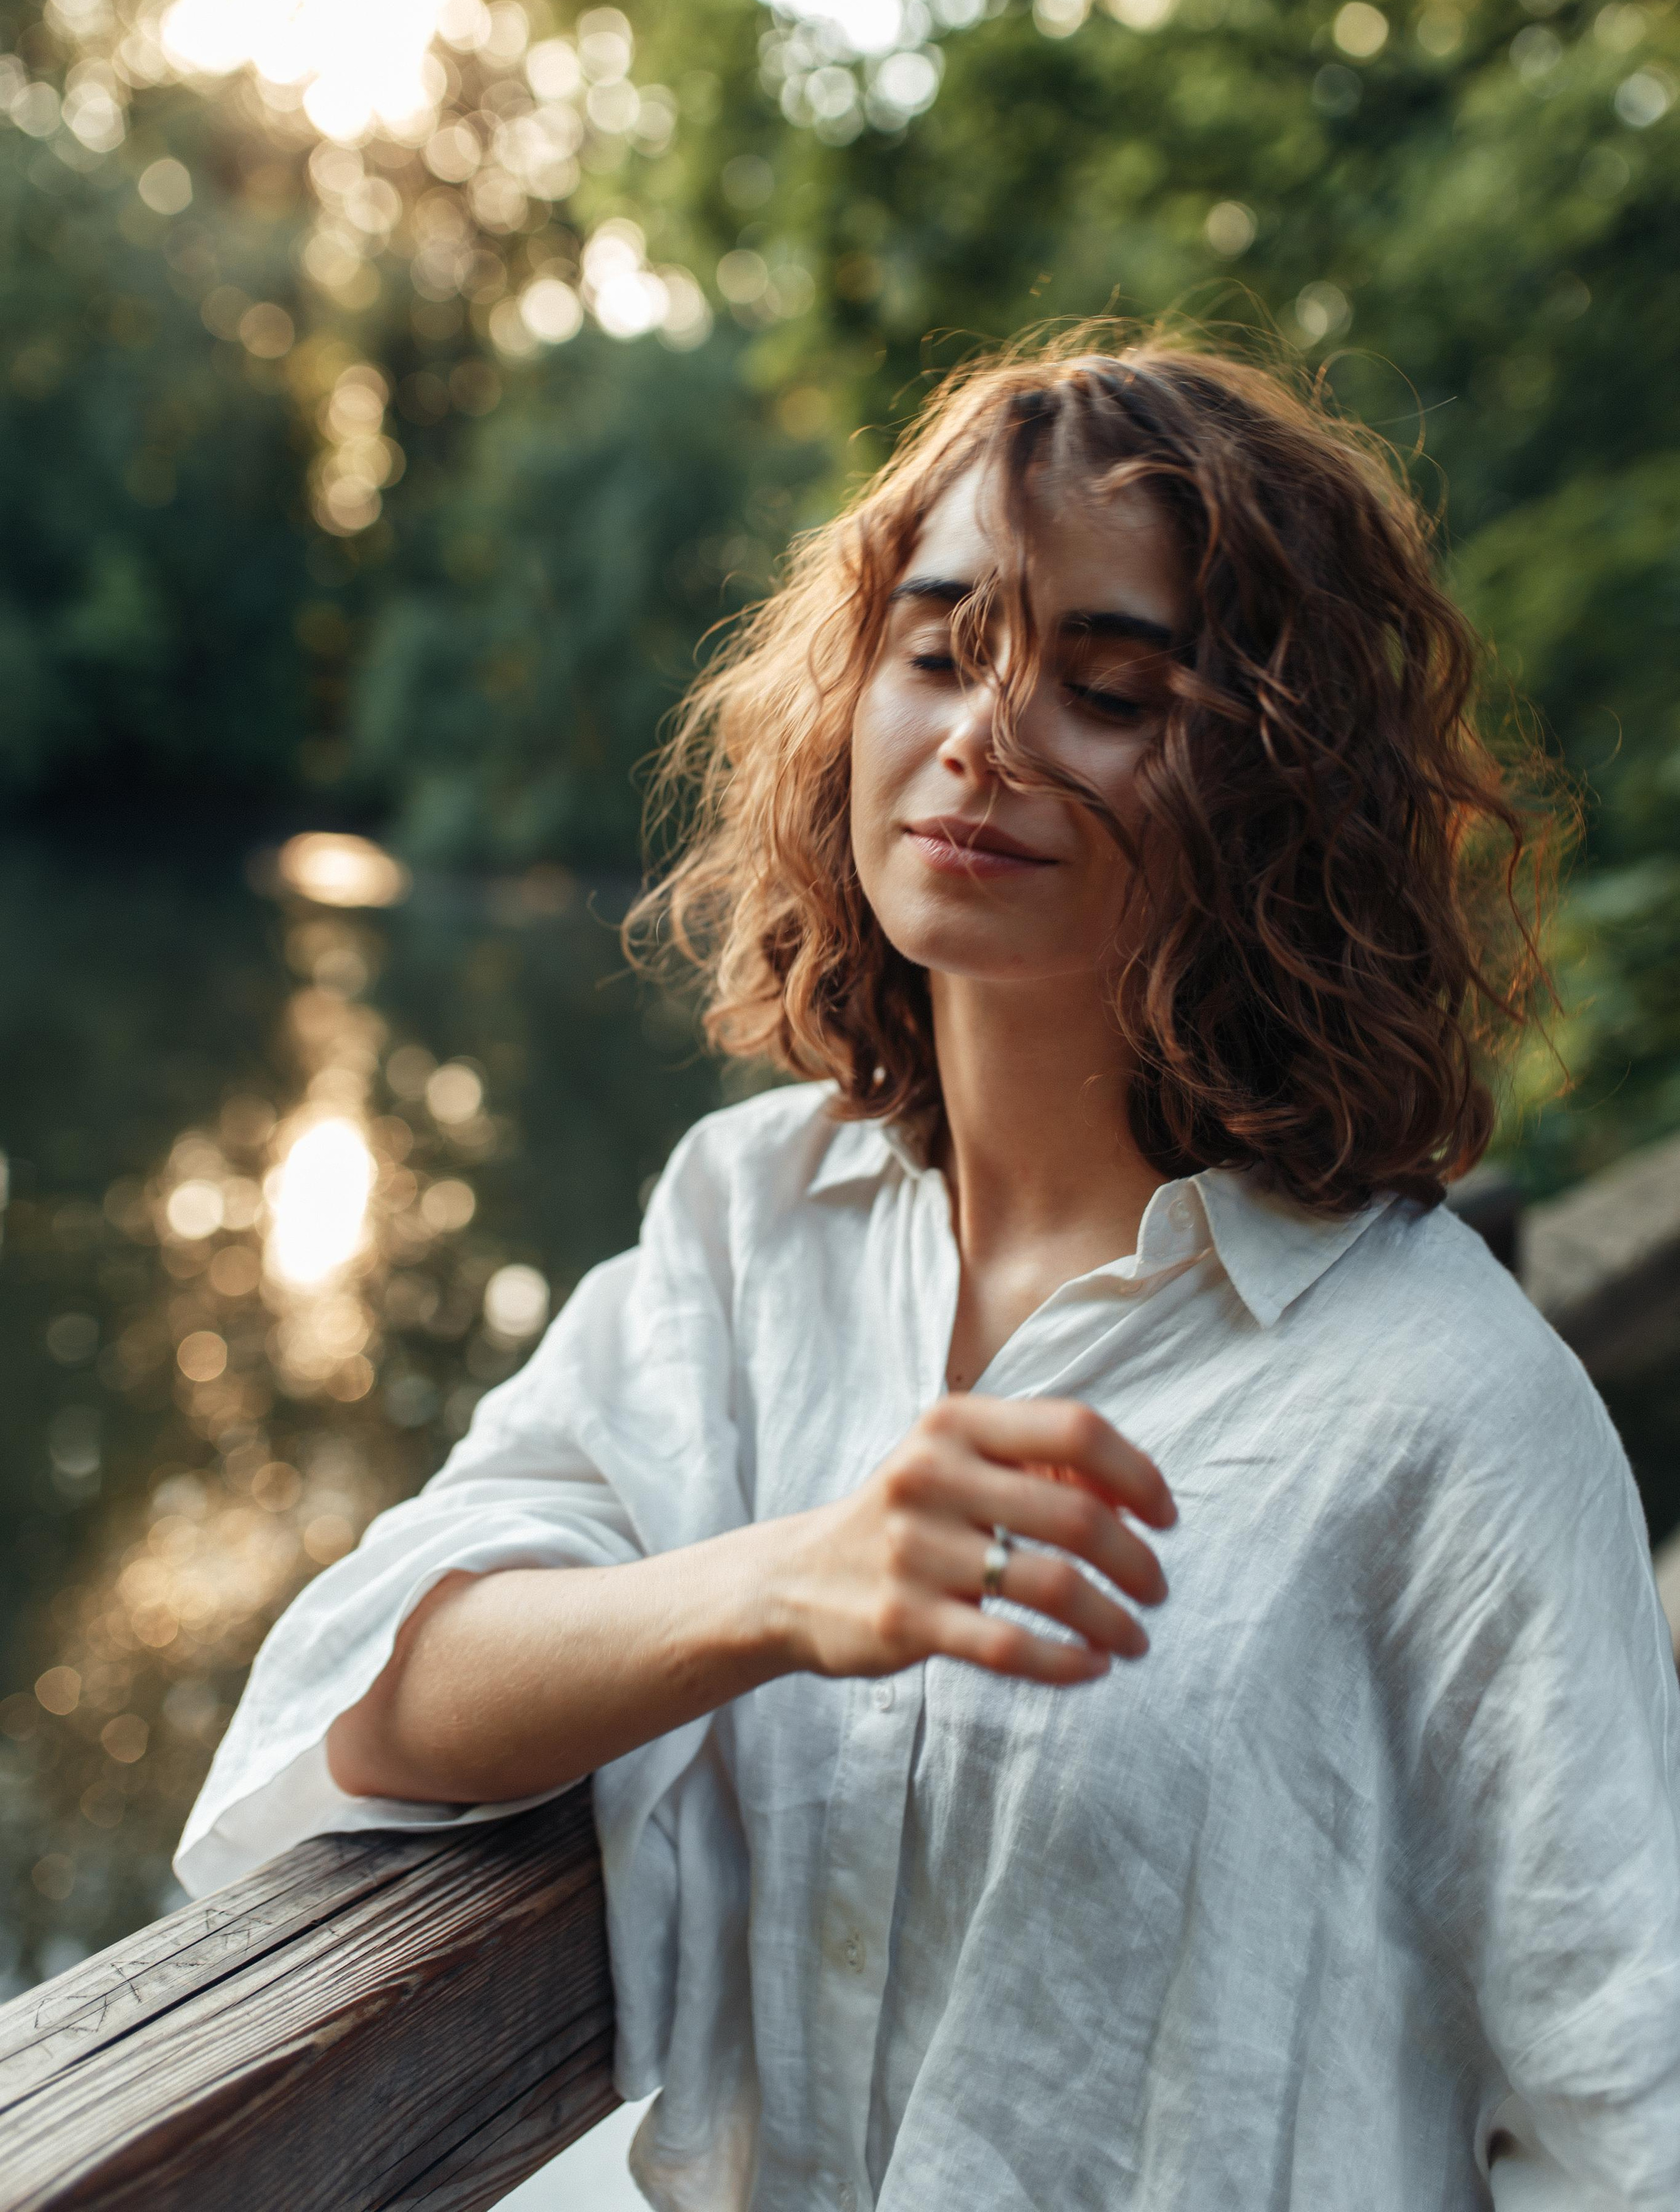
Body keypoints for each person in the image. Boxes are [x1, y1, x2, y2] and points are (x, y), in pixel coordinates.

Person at [178, 337, 1680, 2211]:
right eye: (940, 650)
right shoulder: (752, 1229)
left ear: (1274, 789)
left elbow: (1629, 2134)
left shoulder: (1448, 1416)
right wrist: (783, 1583)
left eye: (1111, 690)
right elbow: (372, 1699)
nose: (987, 739)